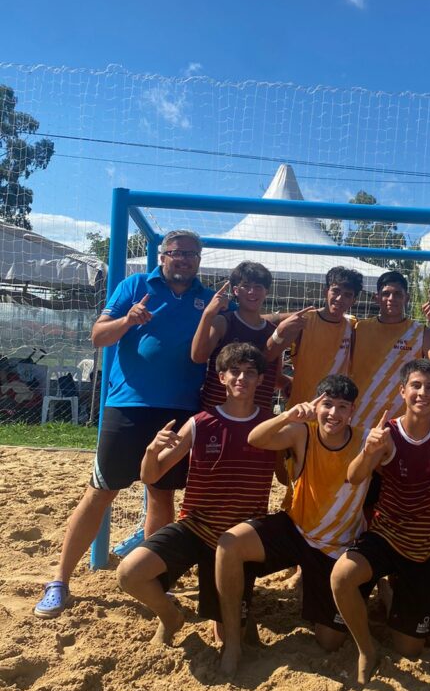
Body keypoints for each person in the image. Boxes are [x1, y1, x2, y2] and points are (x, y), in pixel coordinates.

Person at [34, 230, 214, 619]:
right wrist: (128, 320)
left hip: (179, 410)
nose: (183, 259)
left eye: (190, 254)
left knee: (162, 494)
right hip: (128, 407)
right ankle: (60, 580)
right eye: (176, 253)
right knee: (101, 492)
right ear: (162, 256)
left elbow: (248, 321)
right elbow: (98, 336)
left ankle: (151, 577)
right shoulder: (134, 286)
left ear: (199, 259)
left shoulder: (208, 298)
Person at [116, 343, 275, 646]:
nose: (242, 378)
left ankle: (238, 616)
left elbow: (287, 475)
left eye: (250, 373)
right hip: (195, 527)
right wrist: (152, 450)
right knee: (129, 574)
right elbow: (151, 476)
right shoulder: (199, 423)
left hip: (238, 539)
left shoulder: (270, 427)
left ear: (260, 380)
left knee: (231, 637)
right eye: (235, 371)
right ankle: (171, 615)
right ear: (221, 377)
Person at [332, 359, 430, 686]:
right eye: (416, 385)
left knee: (410, 650)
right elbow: (353, 477)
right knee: (341, 576)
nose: (423, 392)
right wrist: (369, 452)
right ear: (402, 391)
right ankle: (367, 650)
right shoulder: (387, 433)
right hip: (387, 535)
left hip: (427, 546)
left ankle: (390, 592)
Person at [214, 374, 368, 677]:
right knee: (228, 545)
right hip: (296, 529)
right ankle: (233, 642)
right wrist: (287, 414)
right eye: (327, 405)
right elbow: (255, 439)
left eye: (341, 407)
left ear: (352, 411)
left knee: (330, 642)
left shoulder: (365, 439)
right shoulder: (303, 432)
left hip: (334, 548)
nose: (333, 414)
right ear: (316, 404)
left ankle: (314, 595)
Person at [350, 271, 430, 434]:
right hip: (361, 421)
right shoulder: (359, 328)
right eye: (386, 294)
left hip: (403, 425)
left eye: (398, 294)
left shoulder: (420, 332)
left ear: (407, 298)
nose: (391, 298)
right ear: (377, 298)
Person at [191, 261, 286, 414]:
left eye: (258, 287)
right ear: (235, 290)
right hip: (216, 415)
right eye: (246, 286)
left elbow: (275, 378)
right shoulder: (223, 322)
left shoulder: (274, 331)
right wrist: (208, 314)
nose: (252, 292)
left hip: (256, 419)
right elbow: (198, 357)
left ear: (266, 291)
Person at [270, 266, 363, 410]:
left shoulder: (352, 325)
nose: (340, 298)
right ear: (326, 291)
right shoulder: (305, 320)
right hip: (302, 408)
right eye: (336, 291)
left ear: (354, 300)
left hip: (333, 412)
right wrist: (283, 381)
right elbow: (263, 326)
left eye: (347, 295)